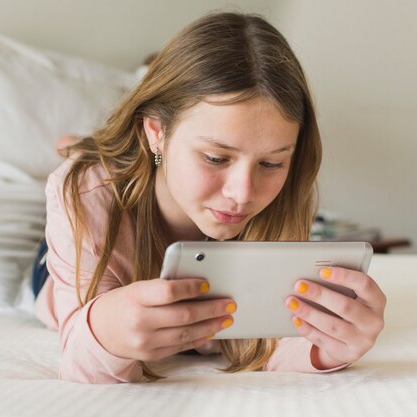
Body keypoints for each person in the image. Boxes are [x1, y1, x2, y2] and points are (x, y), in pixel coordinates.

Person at [33, 11, 386, 384]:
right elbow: (78, 358)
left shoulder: (285, 188)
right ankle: (78, 147)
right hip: (66, 261)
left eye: (270, 162)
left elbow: (268, 340)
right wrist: (106, 330)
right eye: (216, 158)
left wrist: (326, 348)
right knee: (83, 167)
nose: (243, 194)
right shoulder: (85, 193)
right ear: (157, 133)